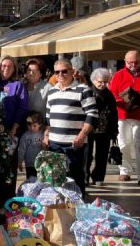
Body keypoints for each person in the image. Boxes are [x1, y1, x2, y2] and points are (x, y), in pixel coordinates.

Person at [44, 59, 98, 194]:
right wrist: (46, 136)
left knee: (75, 177)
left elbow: (92, 114)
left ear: (72, 71)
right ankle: (61, 209)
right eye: (57, 72)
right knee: (56, 178)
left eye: (64, 71)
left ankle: (78, 207)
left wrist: (82, 136)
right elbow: (48, 117)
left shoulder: (84, 90)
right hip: (54, 144)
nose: (60, 74)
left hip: (74, 143)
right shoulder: (51, 91)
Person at [107, 50, 140, 183]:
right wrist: (124, 102)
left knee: (139, 144)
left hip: (139, 114)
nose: (133, 65)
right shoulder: (118, 75)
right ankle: (124, 170)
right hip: (122, 114)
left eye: (136, 62)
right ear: (125, 62)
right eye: (129, 62)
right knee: (124, 144)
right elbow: (112, 93)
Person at [87, 68, 118, 186]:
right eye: (100, 81)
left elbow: (114, 113)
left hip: (105, 129)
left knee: (102, 155)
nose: (103, 84)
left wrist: (114, 130)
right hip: (89, 128)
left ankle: (98, 177)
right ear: (94, 80)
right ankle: (85, 176)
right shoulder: (88, 92)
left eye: (106, 82)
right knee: (87, 154)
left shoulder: (109, 94)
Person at [0, 55, 29, 141]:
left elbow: (23, 108)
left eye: (10, 66)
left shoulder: (17, 85)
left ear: (14, 69)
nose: (6, 68)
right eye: (4, 66)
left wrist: (14, 127)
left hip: (10, 130)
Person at [17, 111, 45, 179]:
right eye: (29, 125)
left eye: (34, 125)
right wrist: (20, 161)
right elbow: (21, 149)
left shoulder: (43, 135)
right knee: (30, 182)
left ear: (40, 124)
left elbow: (46, 149)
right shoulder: (25, 135)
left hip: (41, 165)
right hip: (29, 165)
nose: (32, 128)